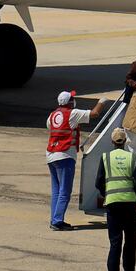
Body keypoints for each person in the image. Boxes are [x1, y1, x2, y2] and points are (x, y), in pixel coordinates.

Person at [47, 90, 108, 231]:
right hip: (65, 156)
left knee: (56, 190)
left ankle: (54, 219)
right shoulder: (72, 113)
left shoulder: (52, 115)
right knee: (65, 191)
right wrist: (101, 102)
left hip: (51, 155)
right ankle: (57, 221)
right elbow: (94, 113)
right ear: (70, 102)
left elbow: (56, 130)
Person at [96, 128, 136, 271]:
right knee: (130, 240)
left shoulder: (106, 157)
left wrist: (107, 193)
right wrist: (132, 193)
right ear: (125, 142)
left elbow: (99, 182)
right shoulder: (132, 158)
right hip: (129, 203)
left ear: (112, 141)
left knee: (115, 242)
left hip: (112, 203)